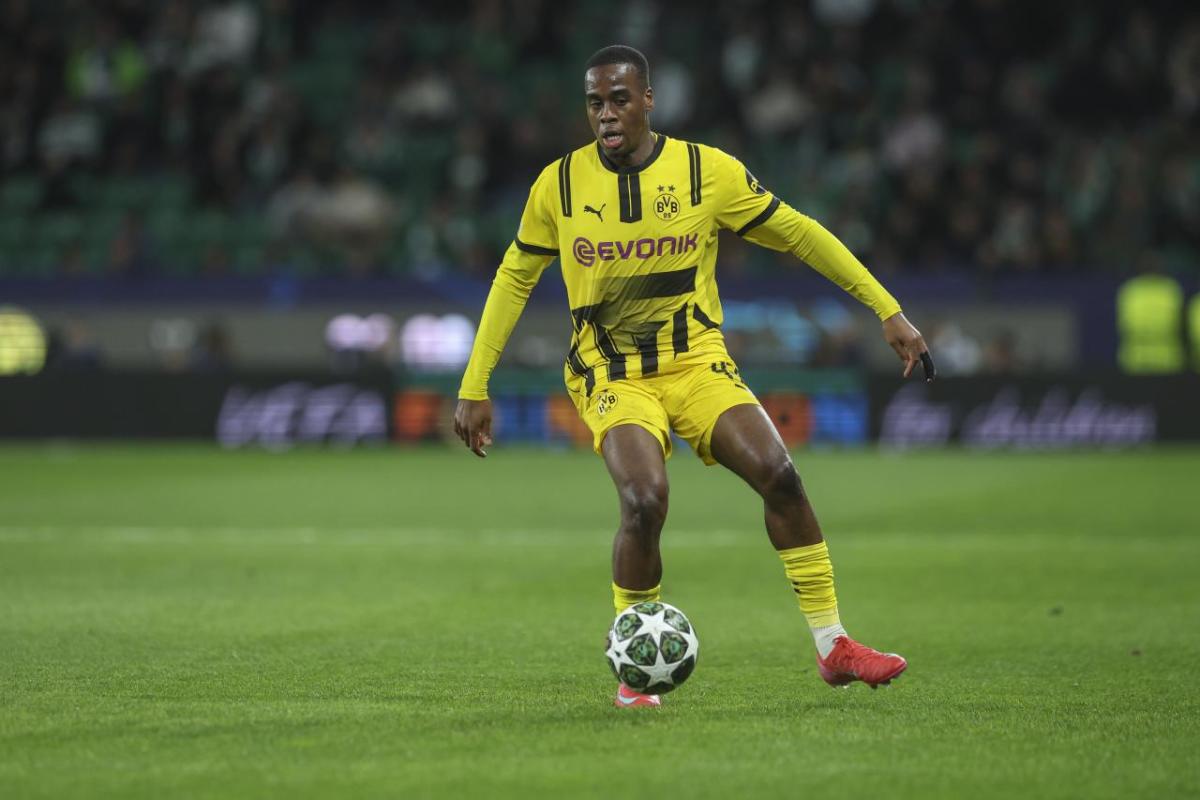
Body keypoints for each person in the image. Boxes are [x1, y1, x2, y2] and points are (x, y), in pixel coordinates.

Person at [455, 45, 935, 708]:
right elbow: (514, 278)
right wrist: (475, 383)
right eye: (594, 103)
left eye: (619, 99)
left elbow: (798, 233)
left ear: (648, 100)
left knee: (780, 474)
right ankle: (635, 672)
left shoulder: (706, 171)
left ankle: (833, 645)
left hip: (696, 362)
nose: (606, 114)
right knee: (644, 499)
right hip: (611, 373)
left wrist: (887, 309)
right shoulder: (558, 186)